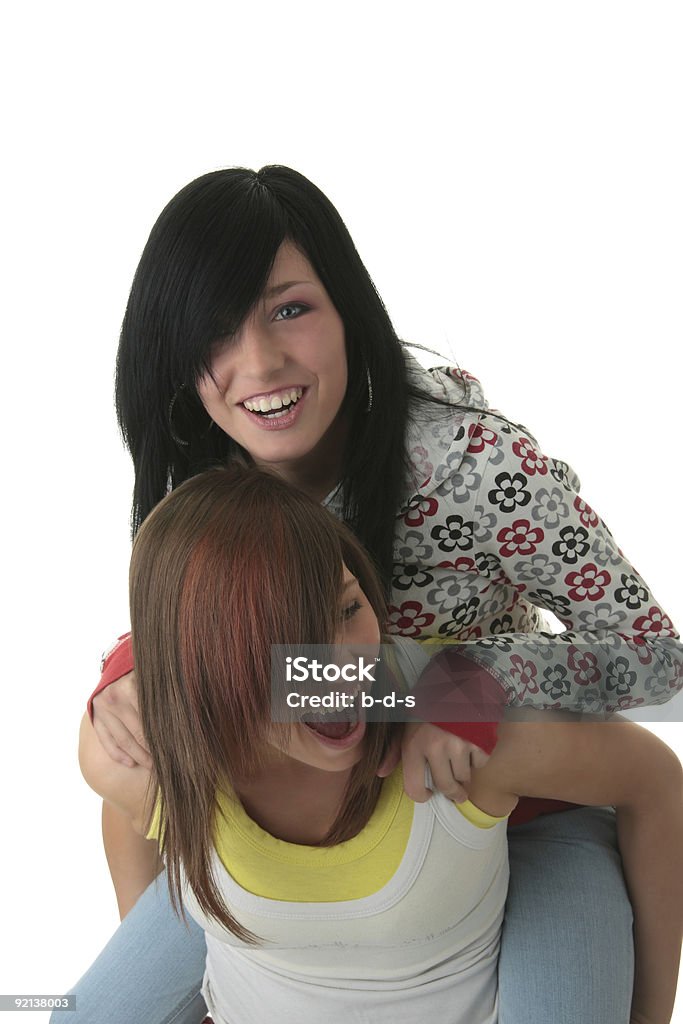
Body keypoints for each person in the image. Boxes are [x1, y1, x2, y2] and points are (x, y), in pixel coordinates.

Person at [67, 165, 683, 1024]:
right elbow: (194, 686)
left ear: (348, 308)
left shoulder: (473, 465)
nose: (260, 364)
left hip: (521, 805)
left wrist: (450, 684)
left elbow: (654, 663)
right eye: (213, 331)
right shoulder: (201, 478)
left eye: (290, 309)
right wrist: (132, 677)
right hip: (311, 823)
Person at [79, 464, 683, 1024]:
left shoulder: (452, 726)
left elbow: (655, 772)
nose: (344, 671)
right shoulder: (139, 752)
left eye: (347, 608)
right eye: (290, 643)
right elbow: (129, 802)